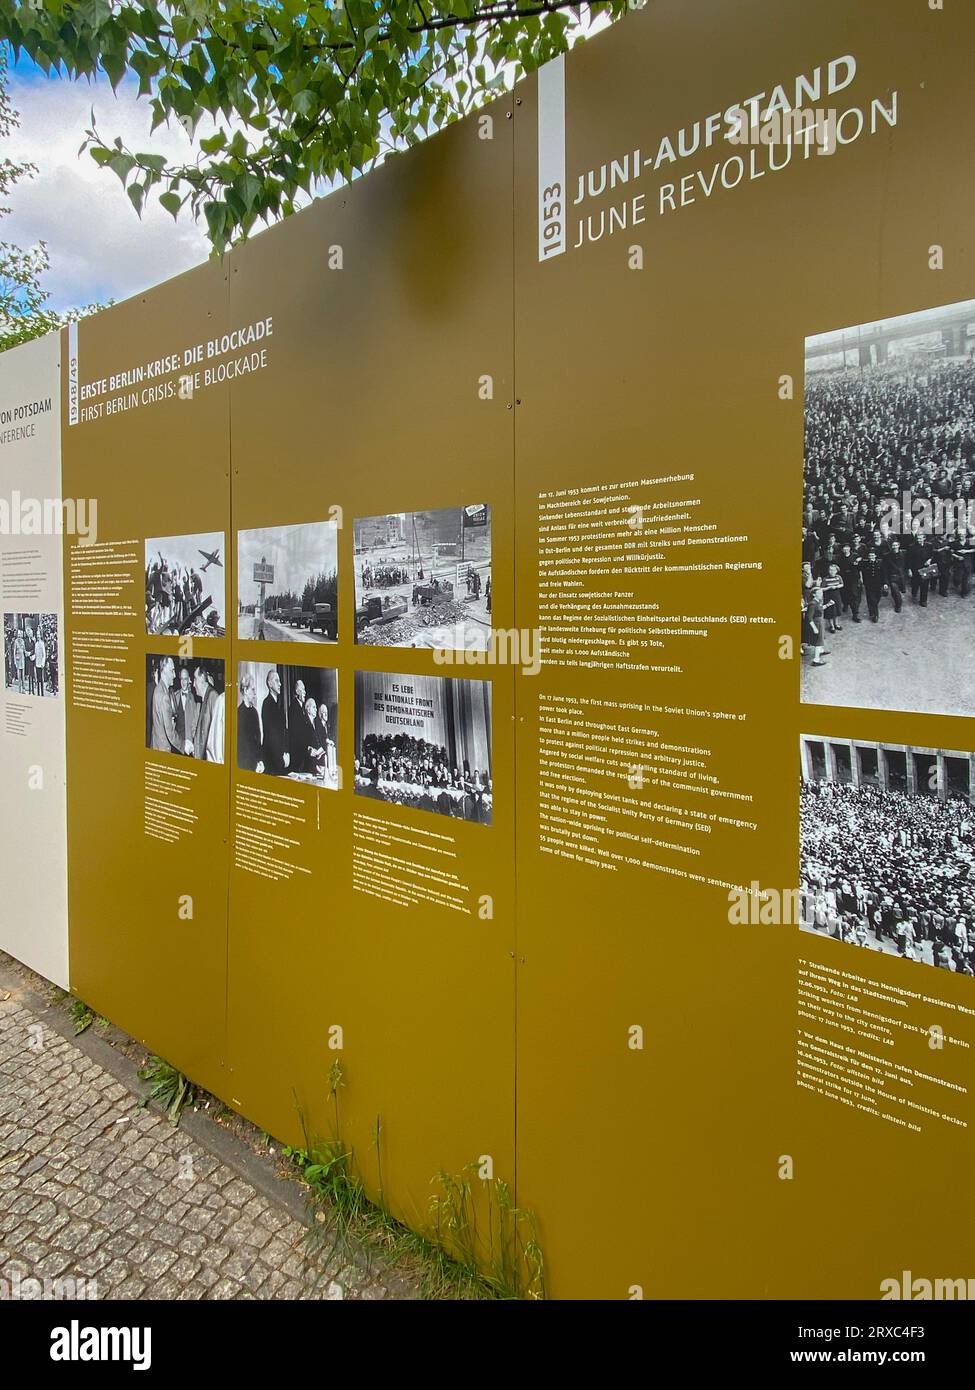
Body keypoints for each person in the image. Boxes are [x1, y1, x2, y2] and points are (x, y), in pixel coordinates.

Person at [150, 656, 185, 754]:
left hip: (157, 744)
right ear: (164, 671)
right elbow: (169, 733)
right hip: (163, 748)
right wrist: (183, 745)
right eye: (172, 671)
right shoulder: (164, 695)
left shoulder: (159, 689)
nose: (174, 675)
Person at [261, 669, 289, 774]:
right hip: (272, 759)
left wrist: (286, 752)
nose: (280, 684)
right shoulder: (267, 704)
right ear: (269, 683)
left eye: (280, 681)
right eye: (277, 681)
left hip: (280, 758)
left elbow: (284, 730)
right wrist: (280, 758)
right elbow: (271, 735)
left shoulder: (279, 705)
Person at [237, 672, 263, 772]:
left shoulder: (254, 712)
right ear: (245, 690)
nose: (255, 693)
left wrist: (260, 760)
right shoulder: (239, 713)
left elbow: (258, 740)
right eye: (252, 689)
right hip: (245, 766)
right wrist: (253, 764)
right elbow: (242, 747)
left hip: (256, 765)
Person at [192, 666, 218, 760]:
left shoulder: (213, 696)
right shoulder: (204, 698)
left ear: (202, 677)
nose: (193, 684)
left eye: (195, 679)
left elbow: (216, 734)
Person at [174, 666, 198, 749]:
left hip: (190, 744)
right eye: (181, 679)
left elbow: (196, 722)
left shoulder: (194, 698)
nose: (183, 682)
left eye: (185, 679)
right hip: (177, 743)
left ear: (189, 680)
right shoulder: (175, 696)